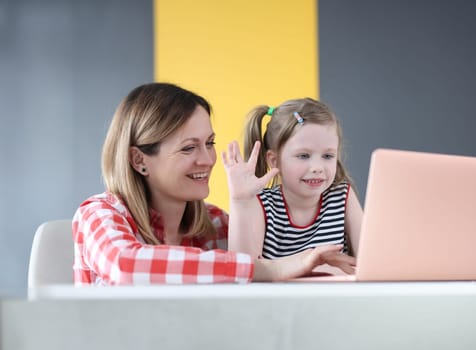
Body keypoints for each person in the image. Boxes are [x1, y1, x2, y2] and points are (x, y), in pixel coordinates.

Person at [72, 83, 355, 285]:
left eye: (209, 143)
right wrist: (267, 269)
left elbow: (277, 269)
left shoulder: (216, 224)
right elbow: (125, 266)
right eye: (188, 148)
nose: (207, 159)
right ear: (139, 159)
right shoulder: (99, 214)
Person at [222, 98, 363, 268]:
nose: (317, 167)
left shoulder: (342, 196)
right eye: (303, 156)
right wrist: (240, 201)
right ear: (274, 161)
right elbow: (243, 269)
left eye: (327, 156)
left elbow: (371, 257)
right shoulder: (262, 204)